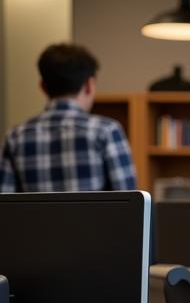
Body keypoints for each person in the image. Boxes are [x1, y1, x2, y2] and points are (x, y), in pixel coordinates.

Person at [0, 42, 137, 193]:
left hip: (35, 218)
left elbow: (5, 205)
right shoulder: (106, 131)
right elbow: (129, 204)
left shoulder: (15, 137)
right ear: (89, 85)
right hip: (93, 218)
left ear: (42, 87)